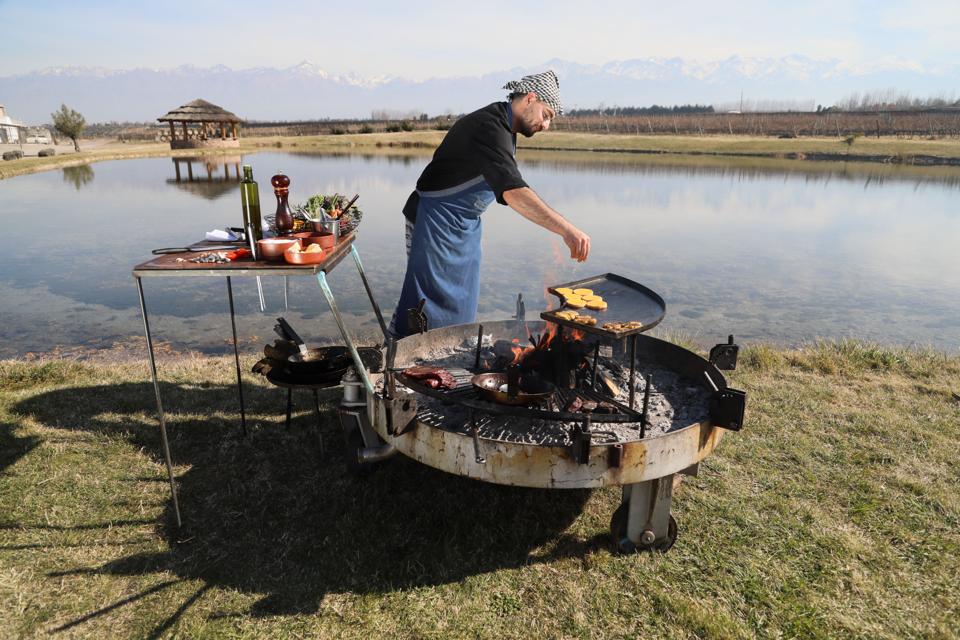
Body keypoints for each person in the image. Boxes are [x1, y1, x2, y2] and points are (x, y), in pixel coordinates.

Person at [391, 70, 591, 337]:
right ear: (530, 99)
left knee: (461, 306)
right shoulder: (490, 127)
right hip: (434, 222)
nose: (546, 126)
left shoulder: (505, 127)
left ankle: (448, 358)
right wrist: (567, 229)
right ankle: (401, 357)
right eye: (546, 115)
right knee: (423, 306)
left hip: (463, 227)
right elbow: (514, 191)